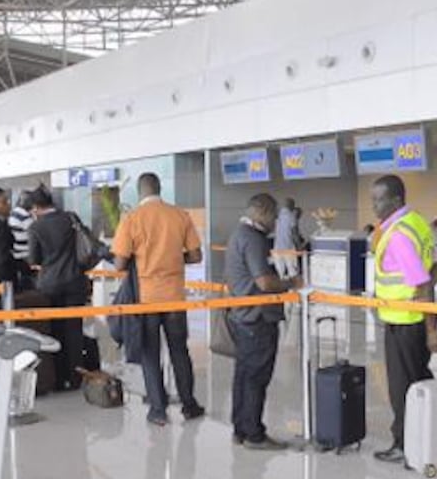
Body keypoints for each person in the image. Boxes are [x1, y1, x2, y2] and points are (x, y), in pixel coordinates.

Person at [111, 172, 205, 426]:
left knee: (150, 353)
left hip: (146, 299)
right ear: (160, 188)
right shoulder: (179, 215)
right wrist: (174, 259)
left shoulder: (131, 219)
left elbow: (119, 264)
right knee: (179, 351)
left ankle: (158, 410)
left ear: (139, 192)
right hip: (175, 297)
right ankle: (189, 404)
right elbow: (196, 256)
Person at [370, 175, 437, 465]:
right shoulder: (417, 222)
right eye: (372, 199)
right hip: (412, 322)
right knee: (419, 382)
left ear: (396, 200)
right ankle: (424, 440)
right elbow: (436, 267)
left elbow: (422, 283)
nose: (374, 205)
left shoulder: (398, 235)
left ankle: (403, 444)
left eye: (379, 199)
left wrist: (431, 330)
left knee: (402, 388)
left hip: (404, 323)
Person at [225, 193, 302, 451]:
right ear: (263, 212)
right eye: (273, 216)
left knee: (244, 375)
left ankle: (241, 429)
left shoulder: (238, 234)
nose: (274, 223)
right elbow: (265, 282)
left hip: (243, 316)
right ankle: (254, 434)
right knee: (256, 377)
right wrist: (292, 283)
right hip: (257, 318)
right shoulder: (253, 239)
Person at [28, 187, 89, 391]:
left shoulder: (36, 228)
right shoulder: (70, 218)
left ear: (36, 207)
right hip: (75, 281)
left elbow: (34, 260)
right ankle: (75, 377)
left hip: (50, 286)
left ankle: (58, 377)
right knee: (74, 330)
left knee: (53, 330)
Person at [273, 198, 301, 279]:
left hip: (277, 247)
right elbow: (295, 233)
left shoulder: (277, 215)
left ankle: (280, 289)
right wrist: (299, 246)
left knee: (279, 272)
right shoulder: (291, 216)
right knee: (292, 270)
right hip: (288, 247)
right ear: (292, 205)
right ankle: (293, 289)